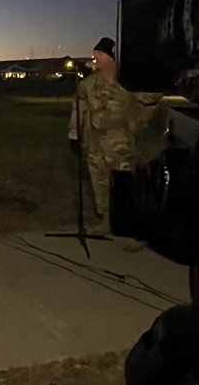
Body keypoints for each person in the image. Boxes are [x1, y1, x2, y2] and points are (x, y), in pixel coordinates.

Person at [68, 37, 160, 236]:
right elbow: (79, 108)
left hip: (120, 143)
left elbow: (151, 99)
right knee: (99, 184)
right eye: (95, 54)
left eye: (100, 54)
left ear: (112, 57)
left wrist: (138, 122)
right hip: (95, 143)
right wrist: (74, 133)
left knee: (124, 185)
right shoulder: (87, 84)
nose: (95, 58)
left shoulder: (129, 82)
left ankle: (134, 228)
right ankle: (106, 223)